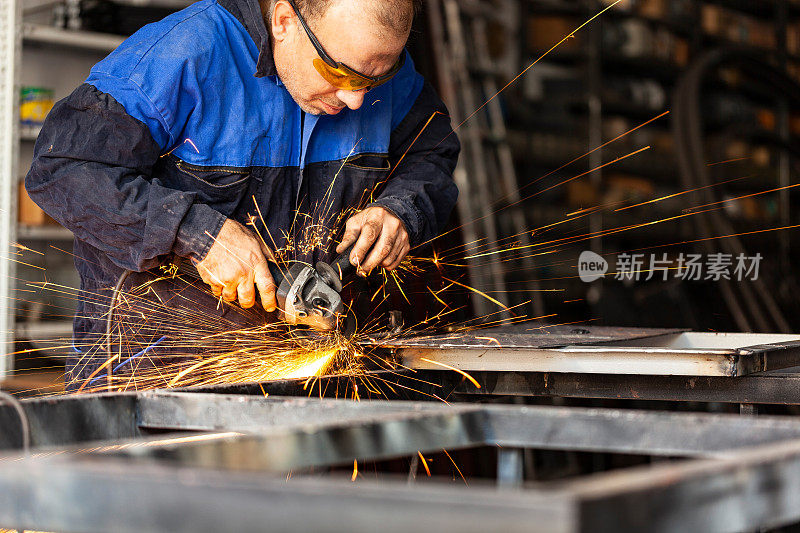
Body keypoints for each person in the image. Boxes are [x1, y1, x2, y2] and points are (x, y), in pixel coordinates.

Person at [25, 0, 460, 388]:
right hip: (155, 383)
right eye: (338, 73)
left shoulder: (379, 72)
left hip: (303, 383)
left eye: (375, 80)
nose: (354, 101)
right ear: (285, 21)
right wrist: (195, 233)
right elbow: (62, 168)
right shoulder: (184, 56)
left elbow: (432, 152)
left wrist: (401, 210)